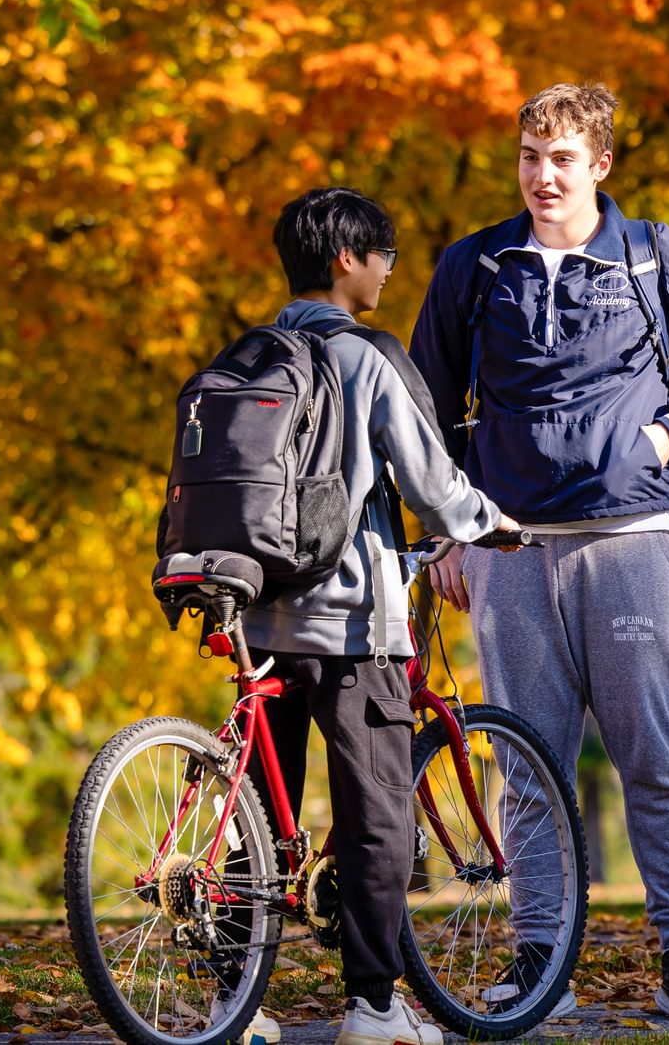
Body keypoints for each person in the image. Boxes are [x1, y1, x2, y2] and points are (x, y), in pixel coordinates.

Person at [409, 82, 669, 1022]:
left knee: (653, 755)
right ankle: (537, 963)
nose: (542, 176)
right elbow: (424, 411)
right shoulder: (475, 266)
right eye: (529, 157)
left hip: (633, 537)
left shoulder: (659, 257)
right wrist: (443, 530)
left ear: (600, 164)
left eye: (561, 159)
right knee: (525, 763)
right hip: (510, 547)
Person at [238, 186, 517, 1045]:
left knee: (254, 815)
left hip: (255, 613)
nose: (394, 270)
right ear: (348, 260)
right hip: (350, 617)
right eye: (386, 254)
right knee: (378, 813)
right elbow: (432, 486)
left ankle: (231, 1003)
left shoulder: (250, 354)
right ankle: (372, 1005)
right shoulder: (367, 357)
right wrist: (490, 524)